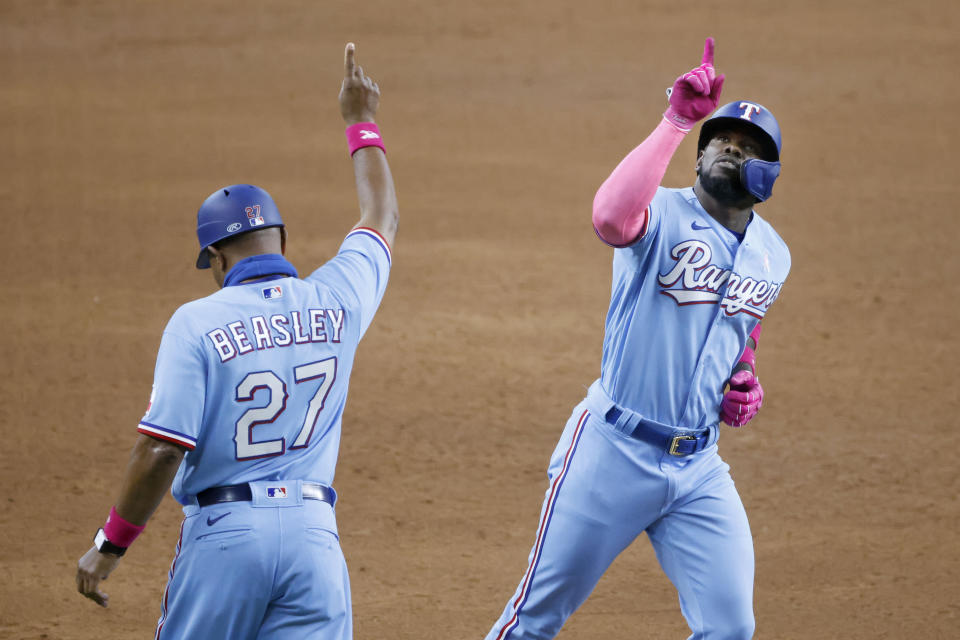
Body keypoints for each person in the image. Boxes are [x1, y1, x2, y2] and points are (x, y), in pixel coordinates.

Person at [75, 42, 397, 640]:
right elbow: (380, 218)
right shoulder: (338, 297)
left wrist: (109, 546)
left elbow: (161, 450)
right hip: (314, 543)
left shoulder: (195, 322)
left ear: (218, 259)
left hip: (225, 537)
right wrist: (361, 121)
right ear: (281, 240)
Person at [485, 37, 789, 640]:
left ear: (768, 173)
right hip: (610, 453)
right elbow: (609, 218)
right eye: (721, 142)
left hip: (698, 468)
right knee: (533, 621)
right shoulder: (660, 215)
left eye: (747, 147)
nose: (731, 148)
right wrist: (678, 121)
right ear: (698, 160)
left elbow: (741, 330)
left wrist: (742, 377)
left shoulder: (774, 255)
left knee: (731, 627)